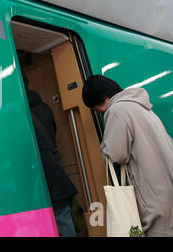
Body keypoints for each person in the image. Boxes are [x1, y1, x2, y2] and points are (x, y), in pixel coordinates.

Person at [82, 75, 173, 237]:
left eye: (95, 107)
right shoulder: (142, 107)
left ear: (100, 98)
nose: (98, 111)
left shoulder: (117, 110)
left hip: (154, 195)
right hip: (166, 187)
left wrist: (104, 145)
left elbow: (115, 154)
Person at [22, 72, 78, 237]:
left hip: (34, 180)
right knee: (63, 219)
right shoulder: (44, 107)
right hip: (55, 174)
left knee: (41, 225)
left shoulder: (16, 113)